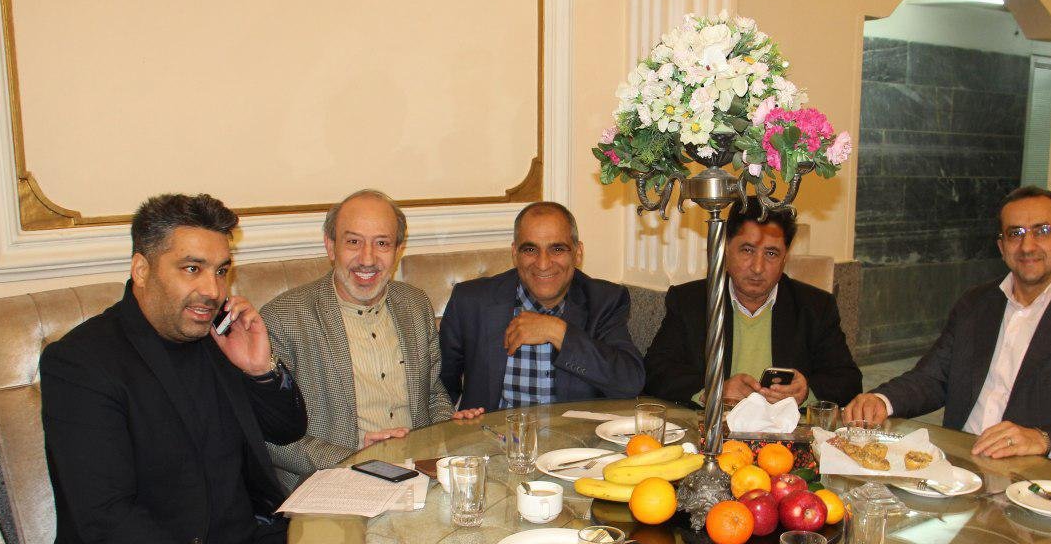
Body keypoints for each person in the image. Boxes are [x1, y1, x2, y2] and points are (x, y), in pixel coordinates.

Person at [41, 194, 371, 544]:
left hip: (240, 541)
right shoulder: (84, 363)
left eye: (221, 270)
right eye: (191, 268)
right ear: (141, 268)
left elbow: (286, 428)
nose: (211, 290)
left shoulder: (215, 338)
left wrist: (260, 369)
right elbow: (105, 521)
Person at [844, 186, 1051, 486]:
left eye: (1042, 231)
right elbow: (933, 377)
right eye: (1015, 234)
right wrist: (881, 400)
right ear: (1001, 246)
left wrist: (1042, 439)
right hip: (958, 471)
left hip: (1044, 485)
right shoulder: (976, 303)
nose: (1027, 246)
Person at [261, 189, 482, 490]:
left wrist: (449, 429)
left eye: (382, 243)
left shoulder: (415, 304)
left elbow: (432, 393)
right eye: (353, 242)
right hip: (332, 482)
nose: (368, 259)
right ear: (331, 246)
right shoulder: (284, 317)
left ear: (398, 250)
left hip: (417, 476)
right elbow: (270, 436)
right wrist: (356, 458)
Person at [643, 199, 862, 408]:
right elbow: (655, 370)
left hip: (785, 430)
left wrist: (806, 391)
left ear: (785, 257)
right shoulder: (690, 301)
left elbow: (848, 380)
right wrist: (714, 390)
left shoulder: (815, 307)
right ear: (726, 248)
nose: (758, 267)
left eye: (771, 253)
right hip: (714, 427)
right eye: (747, 250)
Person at [440, 201, 645, 411]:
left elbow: (630, 383)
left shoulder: (604, 301)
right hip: (494, 430)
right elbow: (439, 388)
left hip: (575, 432)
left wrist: (557, 332)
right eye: (530, 249)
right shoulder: (472, 301)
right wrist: (456, 418)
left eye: (557, 249)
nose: (543, 263)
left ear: (578, 253)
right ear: (515, 254)